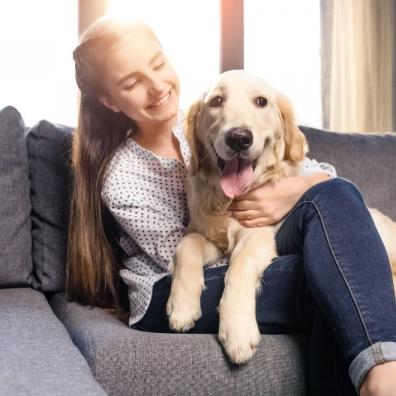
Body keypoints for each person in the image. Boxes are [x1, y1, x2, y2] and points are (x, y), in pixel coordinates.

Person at [66, 16, 396, 396]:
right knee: (331, 274)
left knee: (336, 194)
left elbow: (327, 181)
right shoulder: (124, 174)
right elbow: (189, 253)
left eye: (157, 64)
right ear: (110, 100)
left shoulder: (211, 122)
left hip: (253, 251)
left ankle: (381, 377)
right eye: (132, 82)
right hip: (170, 288)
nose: (156, 86)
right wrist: (261, 242)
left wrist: (290, 191)